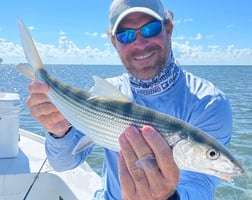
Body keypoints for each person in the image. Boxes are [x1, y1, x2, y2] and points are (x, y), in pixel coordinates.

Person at [26, 0, 232, 199]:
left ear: (168, 29)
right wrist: (59, 132)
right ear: (114, 42)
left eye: (150, 29)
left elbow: (201, 186)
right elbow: (63, 163)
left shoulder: (208, 102)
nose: (140, 43)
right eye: (125, 35)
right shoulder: (106, 94)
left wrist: (170, 198)